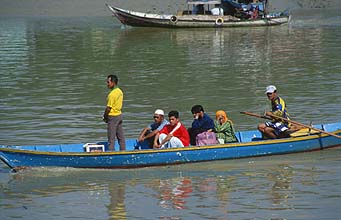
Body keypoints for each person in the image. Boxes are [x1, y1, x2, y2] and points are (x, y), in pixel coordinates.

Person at [103, 74, 126, 151]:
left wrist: (105, 117)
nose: (107, 84)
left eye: (108, 82)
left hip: (112, 117)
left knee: (111, 138)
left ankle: (111, 153)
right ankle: (123, 151)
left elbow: (108, 108)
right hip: (119, 115)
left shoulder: (112, 94)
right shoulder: (120, 91)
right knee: (121, 137)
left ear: (113, 82)